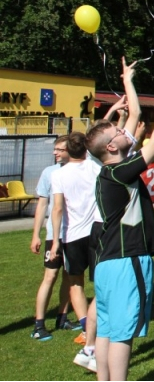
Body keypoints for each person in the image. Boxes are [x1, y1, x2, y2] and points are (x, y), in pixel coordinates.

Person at [86, 62, 154, 381]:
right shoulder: (119, 172)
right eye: (118, 131)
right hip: (125, 261)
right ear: (112, 147)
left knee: (107, 329)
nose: (125, 128)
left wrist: (128, 81)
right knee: (121, 334)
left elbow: (137, 115)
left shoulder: (111, 169)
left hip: (105, 263)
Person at [50, 129, 103, 372]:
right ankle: (96, 325)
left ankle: (85, 328)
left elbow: (58, 208)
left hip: (72, 235)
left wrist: (55, 241)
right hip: (96, 231)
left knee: (75, 283)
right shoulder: (95, 167)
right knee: (100, 281)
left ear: (67, 151)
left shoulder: (60, 174)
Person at [29, 135, 73, 341]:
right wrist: (36, 234)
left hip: (74, 234)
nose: (55, 153)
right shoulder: (50, 172)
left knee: (69, 276)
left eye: (59, 149)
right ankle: (39, 324)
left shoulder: (79, 169)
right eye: (54, 149)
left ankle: (62, 317)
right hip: (53, 234)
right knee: (50, 276)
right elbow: (42, 205)